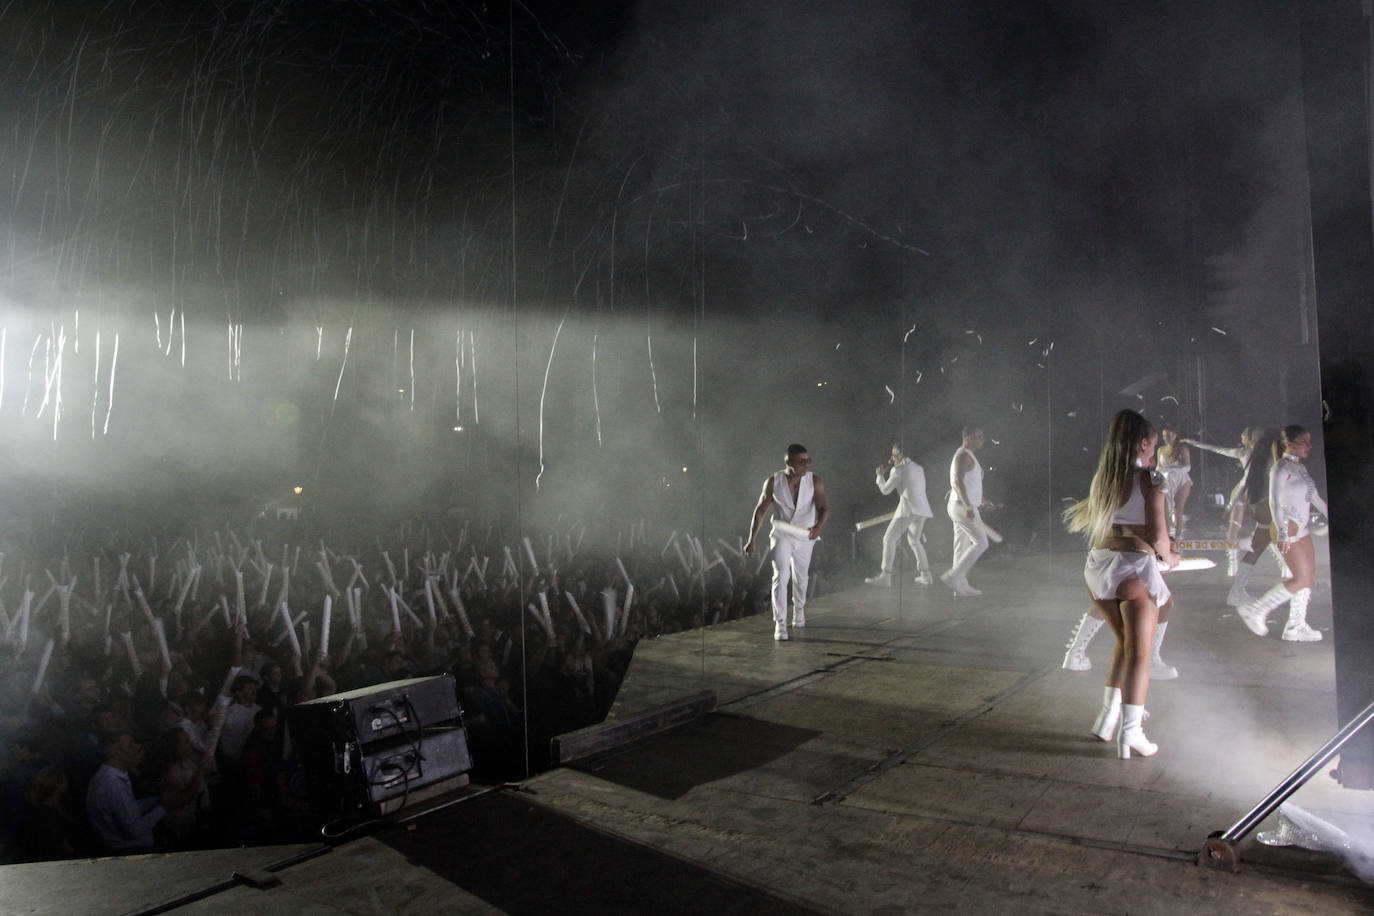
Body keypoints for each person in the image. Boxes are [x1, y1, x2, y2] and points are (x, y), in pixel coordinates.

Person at [1064, 410, 1180, 759]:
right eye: (1154, 444)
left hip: (1098, 569)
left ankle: (1107, 718)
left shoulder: (1104, 476)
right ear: (1143, 443)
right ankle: (1132, 733)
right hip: (1132, 572)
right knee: (1139, 657)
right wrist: (1170, 557)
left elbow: (1112, 528)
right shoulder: (1151, 479)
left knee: (1125, 645)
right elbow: (1160, 538)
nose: (1155, 451)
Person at [1237, 425, 1328, 641]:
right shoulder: (1279, 469)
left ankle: (1296, 625)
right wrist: (1284, 533)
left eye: (1309, 441)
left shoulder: (1300, 468)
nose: (1310, 446)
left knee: (1307, 578)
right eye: (1304, 442)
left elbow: (1314, 498)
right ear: (1289, 443)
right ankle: (1256, 610)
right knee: (1301, 578)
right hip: (1286, 530)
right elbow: (1274, 502)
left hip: (1302, 529)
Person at [744, 443, 829, 641]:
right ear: (789, 462)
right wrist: (751, 540)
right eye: (801, 462)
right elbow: (760, 510)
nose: (805, 465)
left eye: (808, 461)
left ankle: (799, 611)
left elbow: (824, 507)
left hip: (805, 536)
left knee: (801, 577)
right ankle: (780, 623)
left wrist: (818, 527)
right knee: (780, 575)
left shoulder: (814, 481)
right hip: (782, 533)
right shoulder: (774, 482)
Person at [1182, 427, 1259, 576]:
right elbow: (1217, 449)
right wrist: (1195, 443)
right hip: (1247, 491)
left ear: (1248, 438)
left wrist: (1195, 443)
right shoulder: (1246, 452)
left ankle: (1234, 564)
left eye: (1243, 436)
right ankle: (1234, 563)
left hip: (1248, 491)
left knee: (1239, 529)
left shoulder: (1247, 452)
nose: (1241, 438)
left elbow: (1217, 449)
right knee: (1236, 530)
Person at [1227, 428, 1284, 607]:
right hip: (1269, 507)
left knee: (1257, 548)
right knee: (1288, 550)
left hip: (1259, 506)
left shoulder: (1256, 458)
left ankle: (1236, 592)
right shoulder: (1274, 462)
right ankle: (1293, 591)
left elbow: (1245, 483)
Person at [86, 730, 166, 854]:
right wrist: (165, 807)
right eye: (130, 745)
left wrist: (157, 800)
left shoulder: (110, 776)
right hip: (131, 851)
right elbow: (135, 831)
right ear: (116, 753)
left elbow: (129, 809)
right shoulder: (113, 785)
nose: (137, 747)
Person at [864, 444, 934, 587]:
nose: (891, 457)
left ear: (901, 455)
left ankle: (885, 576)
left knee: (888, 539)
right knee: (914, 541)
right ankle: (926, 575)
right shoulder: (918, 468)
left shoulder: (897, 470)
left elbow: (885, 490)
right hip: (922, 509)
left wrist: (879, 476)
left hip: (907, 509)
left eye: (894, 454)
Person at [940, 426, 994, 596]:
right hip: (962, 507)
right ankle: (954, 576)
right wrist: (969, 506)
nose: (983, 439)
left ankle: (960, 586)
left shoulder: (968, 456)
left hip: (962, 505)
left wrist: (981, 500)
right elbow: (957, 482)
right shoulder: (963, 455)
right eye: (980, 436)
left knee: (961, 546)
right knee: (981, 542)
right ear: (969, 437)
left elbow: (969, 484)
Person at [1156, 424, 1192, 538]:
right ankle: (1167, 537)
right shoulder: (1160, 450)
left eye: (1169, 435)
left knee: (1178, 510)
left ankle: (1177, 537)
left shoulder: (1182, 448)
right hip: (1166, 480)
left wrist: (1172, 469)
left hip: (1181, 480)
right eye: (1164, 435)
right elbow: (1158, 467)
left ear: (1175, 435)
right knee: (1165, 509)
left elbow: (1187, 466)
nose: (1166, 437)